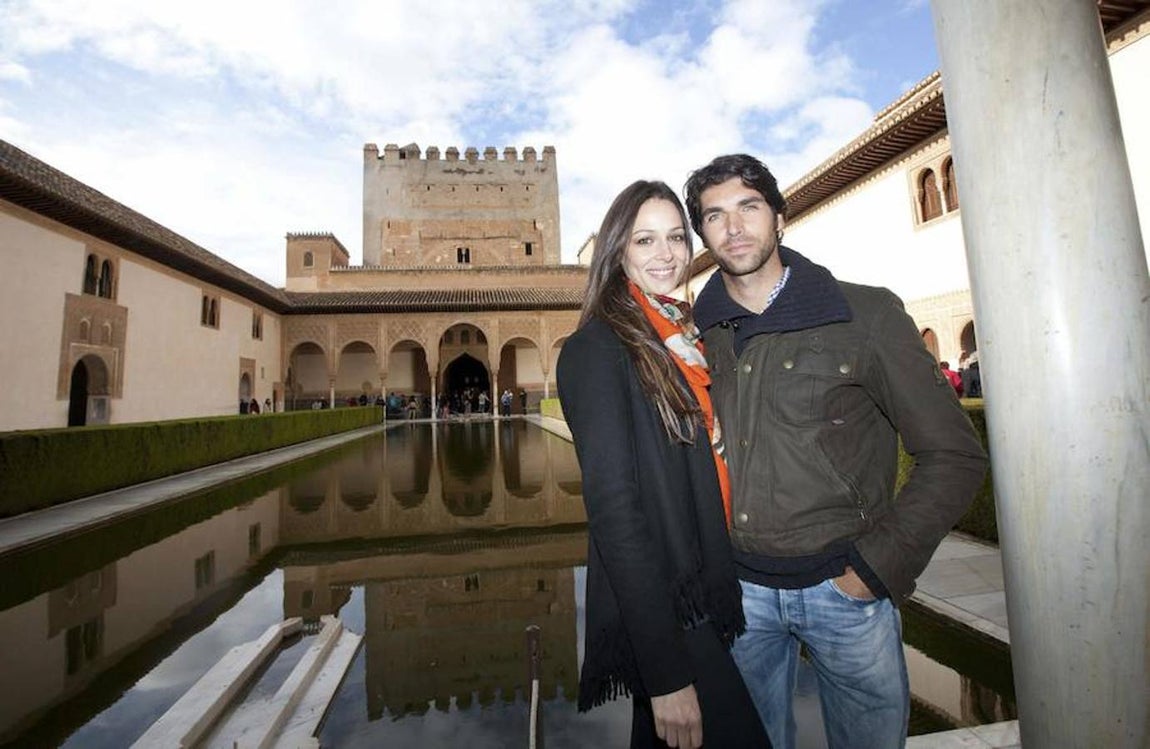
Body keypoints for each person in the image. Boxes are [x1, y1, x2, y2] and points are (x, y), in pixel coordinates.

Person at [684, 154, 988, 749]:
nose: (735, 227)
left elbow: (955, 454)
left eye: (749, 207)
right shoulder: (696, 338)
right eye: (715, 216)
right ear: (703, 234)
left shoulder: (864, 314)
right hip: (740, 600)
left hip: (844, 593)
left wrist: (874, 568)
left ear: (779, 215)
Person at [557, 180, 769, 749]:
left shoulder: (677, 338)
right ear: (617, 251)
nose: (667, 253)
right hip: (675, 607)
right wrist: (666, 672)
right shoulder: (597, 349)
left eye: (676, 236)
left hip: (701, 583)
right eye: (645, 239)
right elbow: (615, 513)